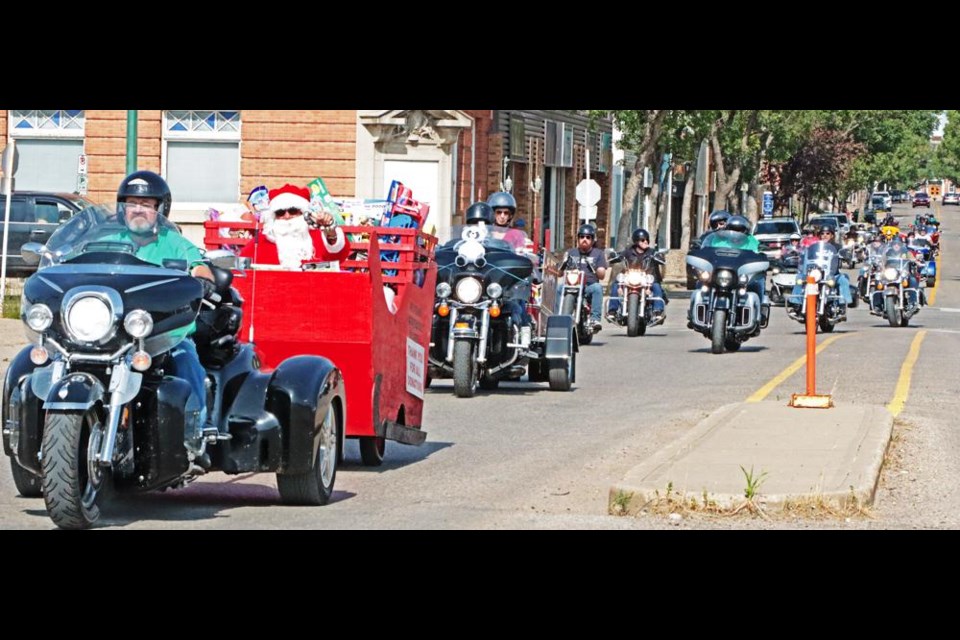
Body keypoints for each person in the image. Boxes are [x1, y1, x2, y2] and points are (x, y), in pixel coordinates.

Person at [114, 170, 214, 432]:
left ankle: (194, 431)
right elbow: (78, 260)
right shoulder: (108, 241)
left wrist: (202, 279)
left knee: (186, 360)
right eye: (131, 204)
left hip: (164, 333)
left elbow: (199, 265)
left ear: (160, 209)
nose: (137, 210)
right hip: (114, 334)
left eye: (146, 205)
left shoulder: (174, 242)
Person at [240, 184, 350, 269]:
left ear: (302, 212)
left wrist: (330, 230)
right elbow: (241, 265)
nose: (287, 216)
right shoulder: (262, 241)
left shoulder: (316, 236)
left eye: (292, 211)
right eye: (280, 212)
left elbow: (338, 256)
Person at [607, 228, 666, 319]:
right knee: (616, 284)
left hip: (648, 279)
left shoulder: (652, 252)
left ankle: (658, 310)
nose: (646, 241)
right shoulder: (628, 252)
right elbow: (619, 255)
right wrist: (614, 256)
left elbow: (660, 258)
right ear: (636, 241)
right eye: (643, 240)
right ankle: (612, 310)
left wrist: (660, 257)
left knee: (657, 286)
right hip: (631, 277)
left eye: (647, 239)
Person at [564, 223, 607, 332]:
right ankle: (557, 317)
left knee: (597, 287)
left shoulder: (598, 254)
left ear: (593, 240)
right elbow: (559, 272)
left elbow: (602, 276)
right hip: (571, 285)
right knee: (559, 288)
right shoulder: (570, 252)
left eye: (588, 237)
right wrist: (561, 264)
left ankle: (595, 319)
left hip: (588, 286)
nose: (584, 239)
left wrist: (598, 269)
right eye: (582, 237)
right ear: (578, 238)